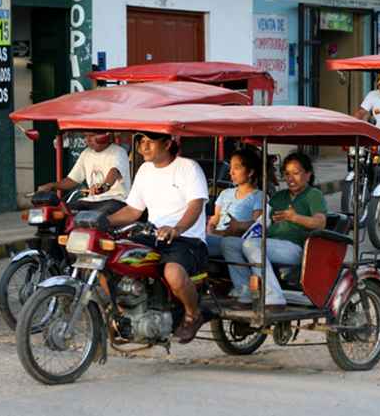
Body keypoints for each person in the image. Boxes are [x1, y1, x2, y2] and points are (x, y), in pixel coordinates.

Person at [107, 132, 209, 343]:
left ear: (168, 143)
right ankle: (125, 316)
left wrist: (177, 228)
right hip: (152, 235)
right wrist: (102, 221)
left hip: (186, 239)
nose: (143, 147)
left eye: (149, 142)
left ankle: (193, 314)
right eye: (141, 142)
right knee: (111, 260)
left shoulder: (188, 168)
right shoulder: (144, 170)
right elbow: (133, 211)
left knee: (173, 274)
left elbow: (195, 206)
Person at [223, 152, 327, 308]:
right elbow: (261, 222)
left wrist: (294, 218)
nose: (291, 178)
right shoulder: (279, 197)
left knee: (252, 245)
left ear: (308, 174)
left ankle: (274, 298)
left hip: (296, 248)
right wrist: (239, 226)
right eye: (287, 174)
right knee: (229, 243)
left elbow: (320, 222)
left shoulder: (313, 195)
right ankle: (244, 293)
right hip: (271, 243)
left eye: (296, 173)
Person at [206, 148, 265, 299]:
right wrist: (210, 228)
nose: (231, 172)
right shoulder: (224, 194)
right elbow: (215, 219)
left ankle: (243, 287)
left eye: (237, 168)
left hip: (237, 240)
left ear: (250, 172)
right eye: (231, 168)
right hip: (216, 237)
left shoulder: (258, 196)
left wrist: (238, 226)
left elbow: (257, 224)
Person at [37, 131, 130, 215]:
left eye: (92, 136)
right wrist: (51, 185)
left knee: (95, 217)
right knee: (59, 213)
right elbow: (72, 180)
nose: (88, 140)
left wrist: (104, 187)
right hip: (90, 200)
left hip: (115, 200)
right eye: (86, 136)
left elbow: (113, 172)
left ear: (105, 136)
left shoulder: (118, 152)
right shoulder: (86, 153)